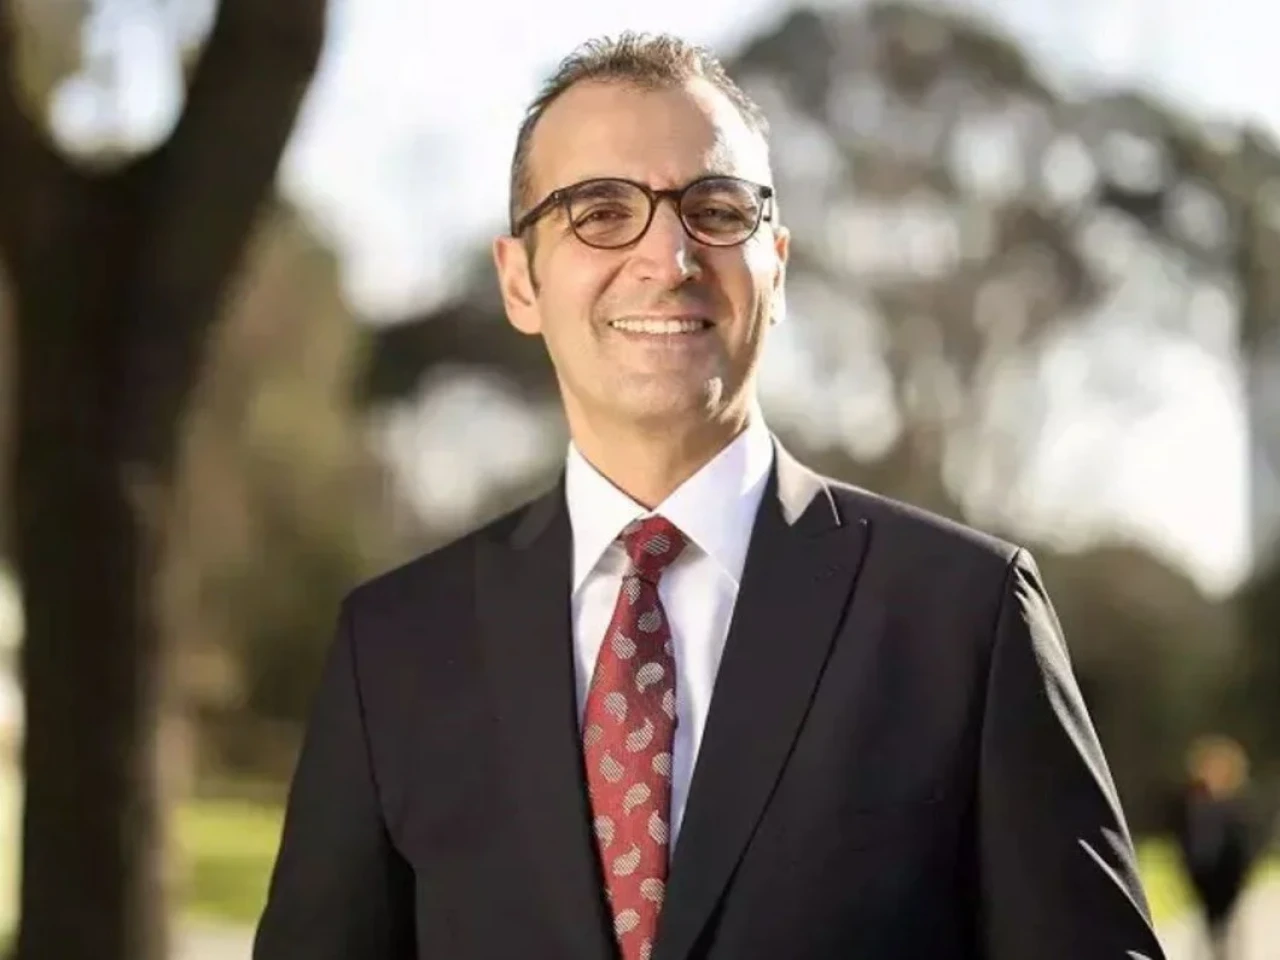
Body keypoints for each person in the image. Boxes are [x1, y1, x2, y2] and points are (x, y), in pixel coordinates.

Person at [253, 32, 1166, 960]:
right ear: (520, 280)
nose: (669, 255)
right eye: (600, 212)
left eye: (716, 210)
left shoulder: (966, 618)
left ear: (778, 266)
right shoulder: (394, 650)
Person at [1171, 736, 1260, 960]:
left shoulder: (1236, 808)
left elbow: (1245, 844)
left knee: (1226, 925)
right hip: (1201, 875)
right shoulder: (1192, 803)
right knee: (1207, 923)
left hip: (1228, 876)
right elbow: (1183, 838)